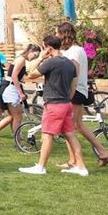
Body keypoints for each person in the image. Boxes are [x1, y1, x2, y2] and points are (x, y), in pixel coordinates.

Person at [20, 35, 88, 176]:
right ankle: (81, 167)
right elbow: (74, 84)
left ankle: (41, 167)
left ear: (49, 48)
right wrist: (68, 99)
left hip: (54, 104)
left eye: (44, 48)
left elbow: (31, 74)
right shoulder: (70, 63)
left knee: (47, 135)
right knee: (70, 135)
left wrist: (40, 58)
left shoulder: (51, 62)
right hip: (66, 103)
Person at [56, 21, 108, 166]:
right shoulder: (74, 50)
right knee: (77, 125)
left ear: (64, 34)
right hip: (79, 90)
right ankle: (101, 153)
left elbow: (73, 71)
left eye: (57, 32)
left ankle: (77, 160)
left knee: (69, 127)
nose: (56, 35)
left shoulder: (74, 51)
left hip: (74, 91)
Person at [0, 44, 41, 143]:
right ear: (30, 51)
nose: (34, 58)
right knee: (18, 117)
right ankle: (18, 142)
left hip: (9, 87)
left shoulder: (20, 59)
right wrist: (20, 93)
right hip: (10, 89)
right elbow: (14, 76)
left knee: (12, 116)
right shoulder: (21, 60)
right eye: (35, 55)